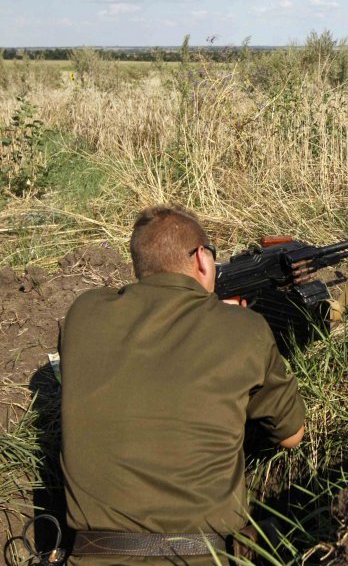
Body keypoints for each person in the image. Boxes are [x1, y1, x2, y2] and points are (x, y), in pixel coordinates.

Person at [59, 204, 305, 564]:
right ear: (203, 259)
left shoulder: (83, 313)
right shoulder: (244, 329)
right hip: (199, 556)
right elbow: (291, 436)